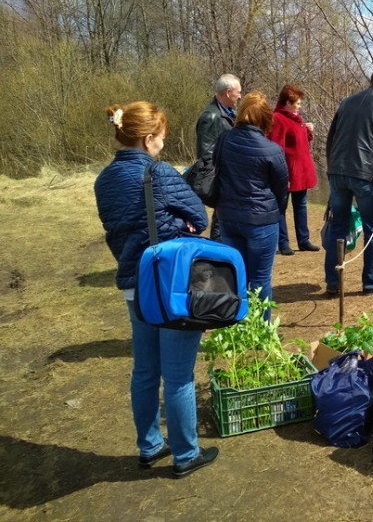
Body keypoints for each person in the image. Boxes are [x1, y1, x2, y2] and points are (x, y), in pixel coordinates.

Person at [94, 101, 218, 479]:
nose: (163, 145)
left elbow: (118, 228)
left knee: (145, 370)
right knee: (178, 374)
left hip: (133, 282)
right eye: (161, 139)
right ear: (148, 139)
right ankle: (185, 455)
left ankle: (149, 446)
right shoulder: (158, 173)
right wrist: (178, 224)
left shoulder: (103, 179)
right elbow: (199, 216)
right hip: (170, 286)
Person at [324, 67, 373, 295]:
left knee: (337, 228)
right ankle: (371, 283)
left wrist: (332, 168)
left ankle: (333, 282)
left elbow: (331, 138)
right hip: (366, 175)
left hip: (338, 172)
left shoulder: (347, 102)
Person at [214, 91, 288, 318]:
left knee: (237, 275)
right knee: (261, 278)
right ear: (266, 118)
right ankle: (262, 329)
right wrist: (277, 213)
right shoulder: (272, 149)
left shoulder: (223, 140)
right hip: (261, 221)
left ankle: (239, 323)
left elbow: (217, 172)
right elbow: (281, 190)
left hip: (228, 218)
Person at [268, 84, 319, 256]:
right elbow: (276, 148)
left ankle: (303, 240)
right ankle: (283, 243)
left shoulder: (296, 117)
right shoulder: (278, 118)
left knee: (301, 205)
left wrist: (308, 131)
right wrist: (281, 173)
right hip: (287, 171)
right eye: (297, 103)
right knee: (281, 207)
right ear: (287, 102)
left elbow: (300, 142)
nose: (299, 106)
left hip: (301, 171)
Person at [194, 74, 242, 240]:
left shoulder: (230, 113)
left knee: (225, 217)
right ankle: (218, 249)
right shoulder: (210, 116)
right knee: (220, 218)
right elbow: (205, 153)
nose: (240, 95)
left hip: (229, 172)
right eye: (238, 92)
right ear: (228, 92)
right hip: (220, 175)